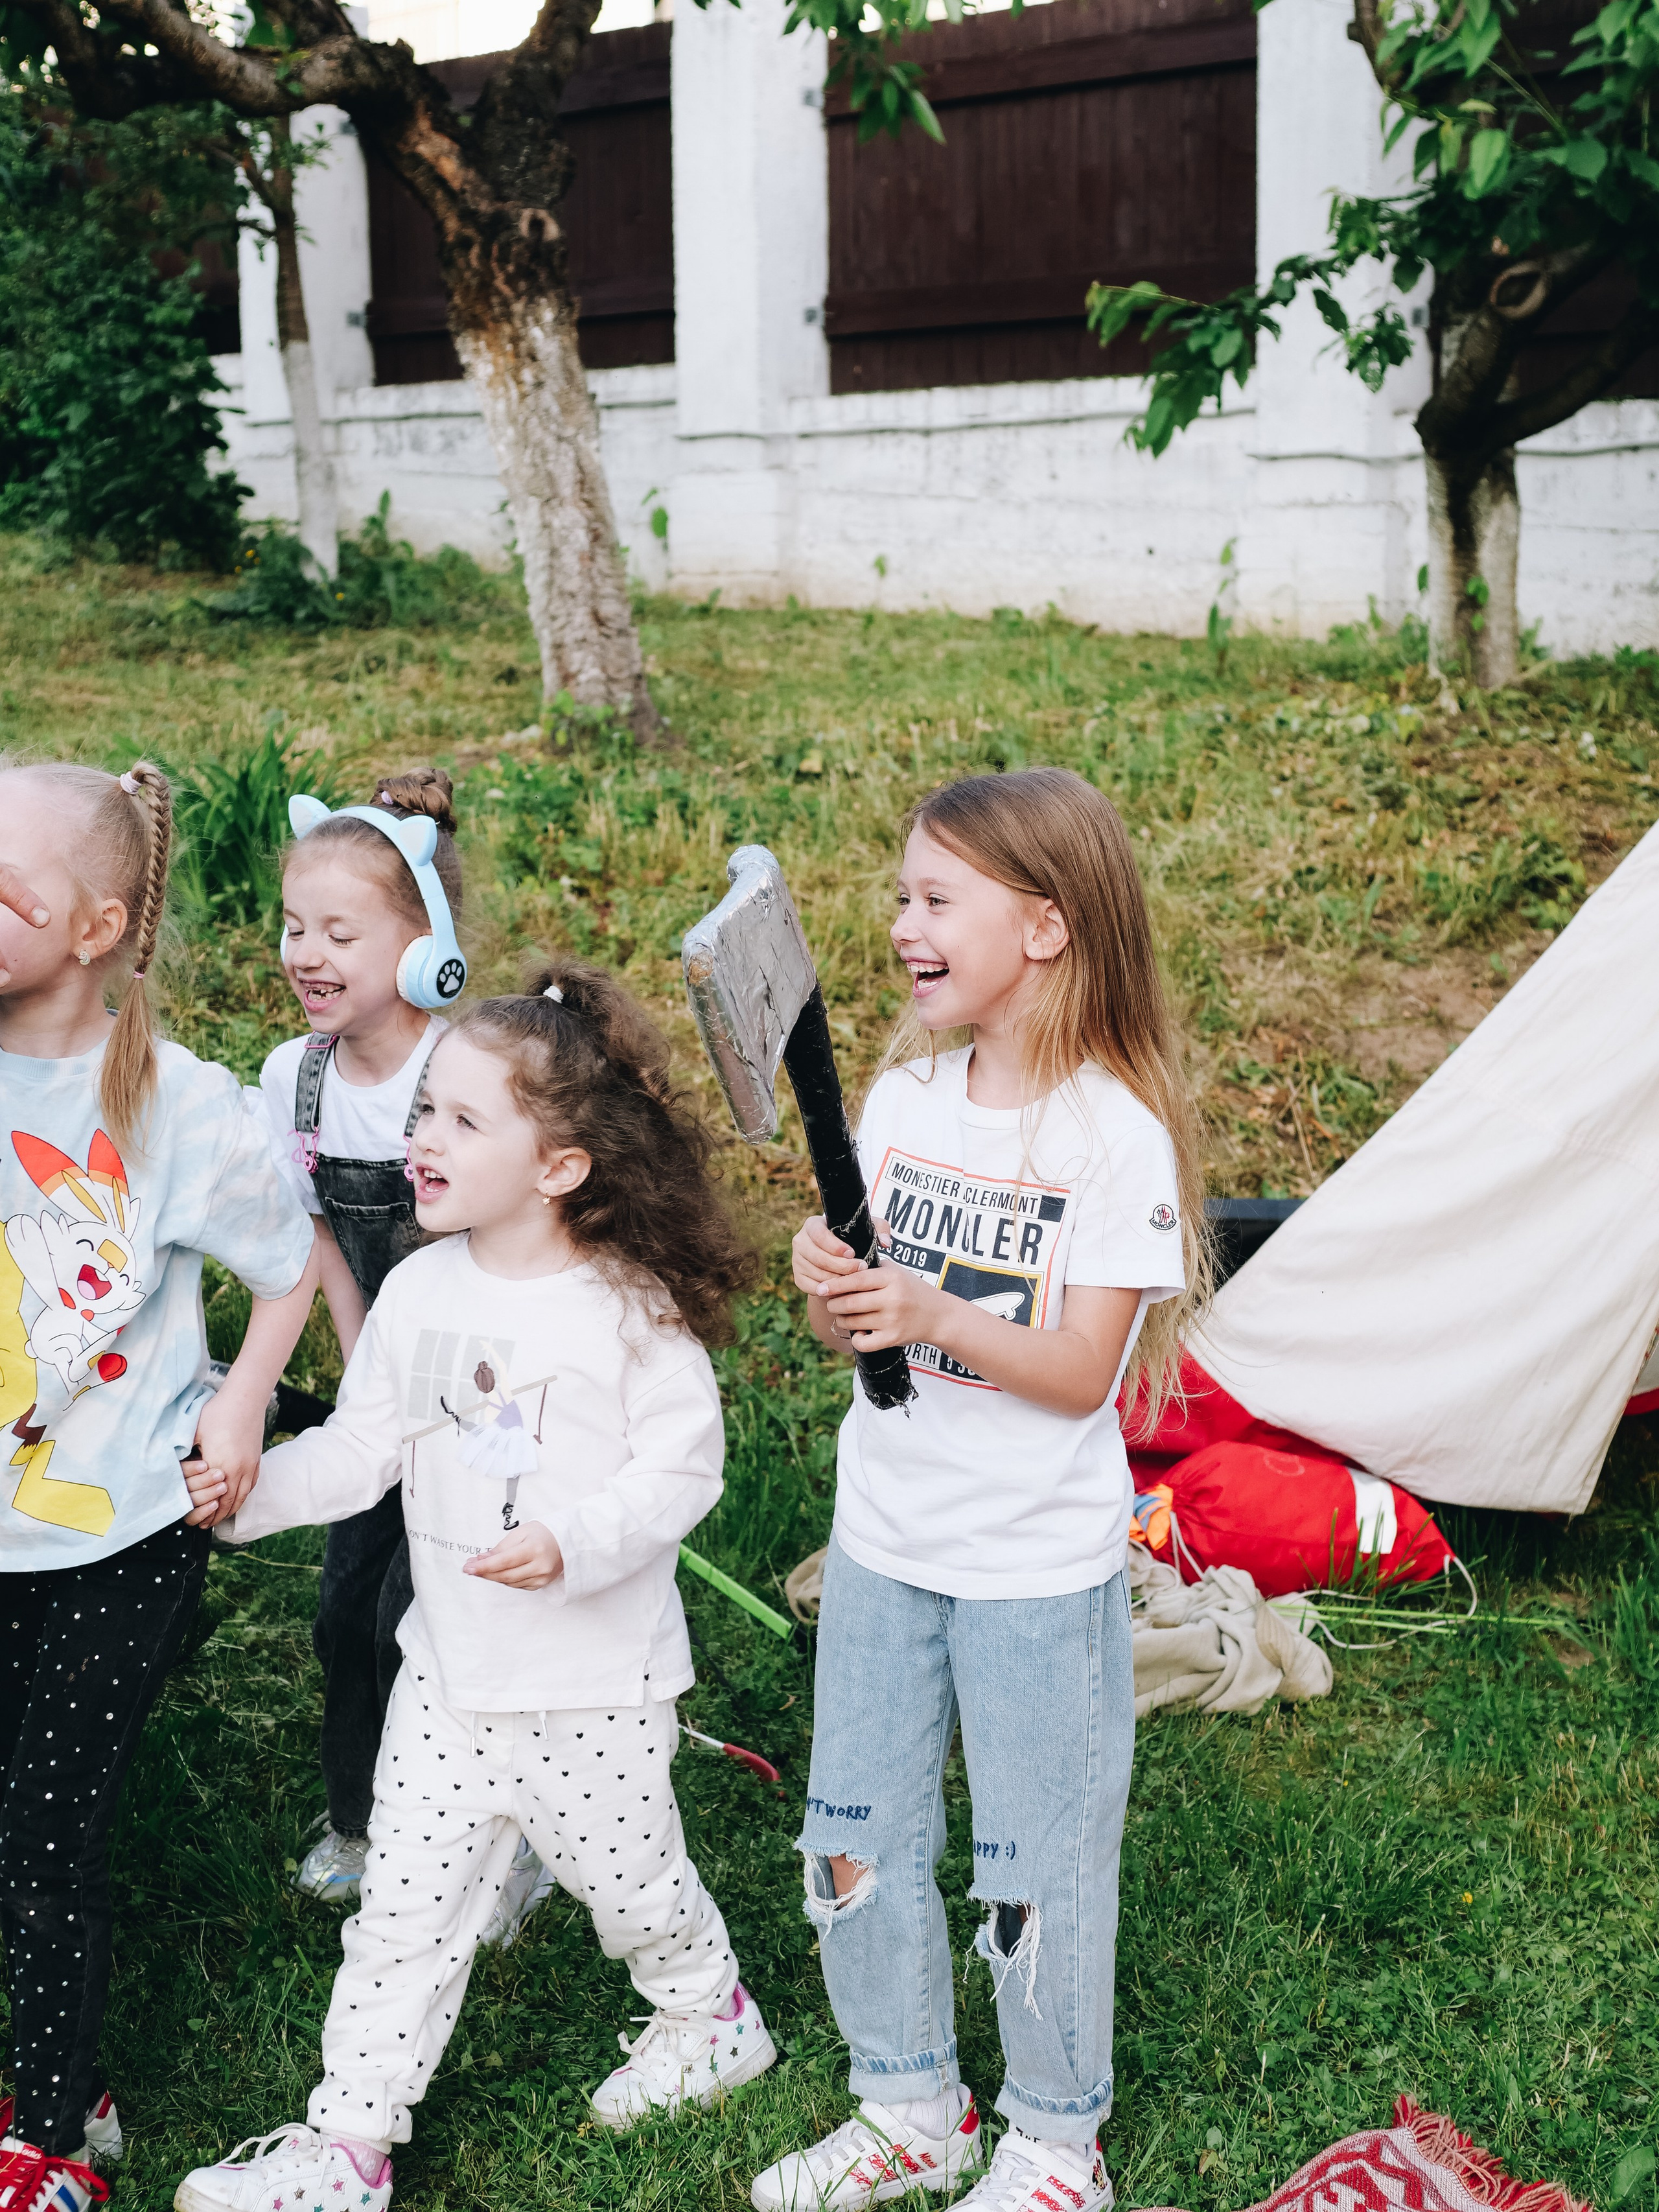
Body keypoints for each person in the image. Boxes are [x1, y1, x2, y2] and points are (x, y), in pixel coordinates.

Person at [176, 961, 776, 2212]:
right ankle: (348, 2144)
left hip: (592, 1690)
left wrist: (575, 1541)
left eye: (462, 1118)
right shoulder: (417, 1291)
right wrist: (245, 1497)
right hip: (446, 1681)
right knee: (399, 1917)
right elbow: (362, 1451)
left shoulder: (627, 1310)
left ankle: (707, 2013)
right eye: (424, 1110)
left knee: (634, 1889)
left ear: (560, 1166)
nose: (424, 1138)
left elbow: (684, 1468)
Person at [751, 768, 1210, 2212]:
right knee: (853, 1837)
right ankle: (909, 2107)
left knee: (1032, 1866)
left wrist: (930, 1308)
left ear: (1046, 927)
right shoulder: (901, 1101)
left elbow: (1079, 1374)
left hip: (1031, 1575)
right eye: (902, 895)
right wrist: (829, 1286)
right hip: (884, 1544)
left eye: (937, 898)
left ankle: (1054, 2144)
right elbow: (851, 1328)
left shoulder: (1111, 1138)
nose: (904, 924)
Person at [0, 762, 318, 2212]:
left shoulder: (179, 1107)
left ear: (95, 928)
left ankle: (57, 2130)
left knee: (45, 1844)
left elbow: (288, 1267)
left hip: (115, 1544)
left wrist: (242, 1407)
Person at [257, 768, 548, 1939]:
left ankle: (505, 1841)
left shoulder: (468, 1074)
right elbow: (322, 1233)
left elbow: (516, 1241)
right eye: (294, 926)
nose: (308, 953)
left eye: (341, 932)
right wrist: (359, 1373)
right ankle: (364, 1820)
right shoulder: (296, 1078)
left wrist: (469, 1403)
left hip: (486, 1391)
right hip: (382, 1387)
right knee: (348, 1613)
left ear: (425, 951)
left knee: (445, 1618)